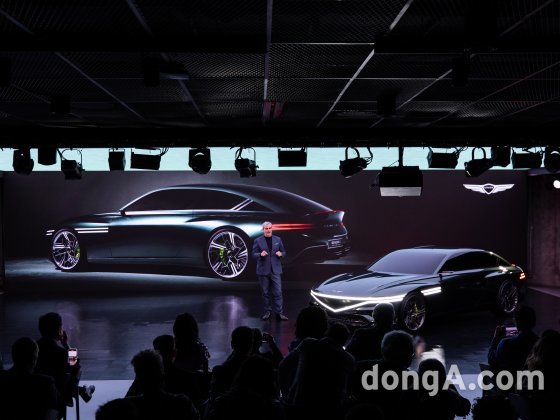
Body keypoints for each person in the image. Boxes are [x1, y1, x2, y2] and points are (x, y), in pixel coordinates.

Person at [251, 221, 288, 321]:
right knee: (265, 293)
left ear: (272, 228)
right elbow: (253, 254)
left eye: (269, 228)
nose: (268, 230)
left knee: (278, 292)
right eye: (266, 228)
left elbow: (284, 252)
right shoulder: (258, 240)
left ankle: (279, 313)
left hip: (275, 270)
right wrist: (260, 254)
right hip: (263, 271)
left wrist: (281, 254)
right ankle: (268, 312)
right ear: (263, 230)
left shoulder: (278, 239)